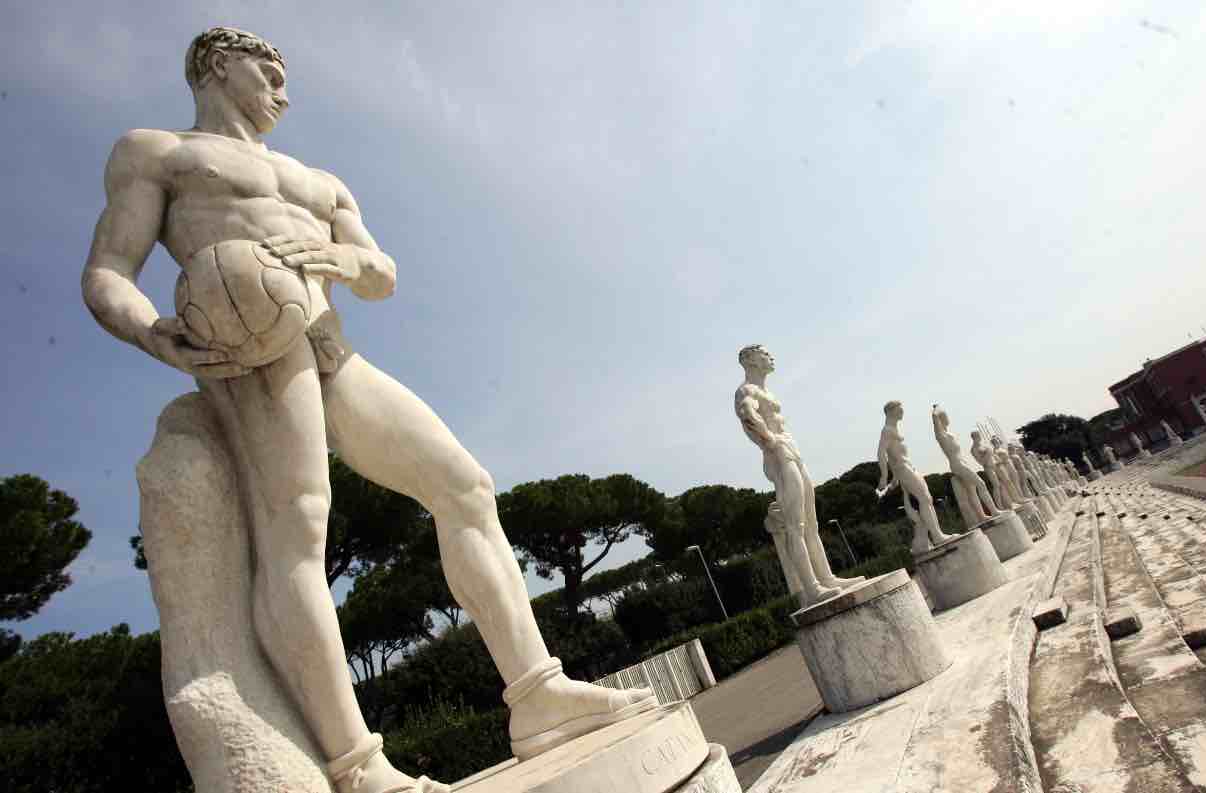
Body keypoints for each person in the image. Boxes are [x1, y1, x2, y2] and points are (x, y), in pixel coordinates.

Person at [81, 27, 654, 793]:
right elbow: (107, 272)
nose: (284, 91)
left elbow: (380, 268)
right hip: (252, 361)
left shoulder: (319, 179)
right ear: (217, 65)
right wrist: (157, 336)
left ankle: (537, 695)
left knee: (465, 486)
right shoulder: (158, 153)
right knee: (298, 542)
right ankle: (360, 769)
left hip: (333, 349)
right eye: (269, 73)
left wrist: (352, 262)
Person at [734, 345, 861, 605]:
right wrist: (770, 442)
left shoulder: (765, 391)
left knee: (811, 523)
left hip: (791, 451)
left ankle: (827, 578)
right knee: (796, 526)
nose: (771, 356)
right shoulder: (746, 390)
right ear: (750, 360)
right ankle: (812, 588)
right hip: (780, 454)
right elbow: (747, 415)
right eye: (764, 353)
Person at [876, 401, 954, 553]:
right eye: (900, 409)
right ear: (891, 411)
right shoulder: (886, 430)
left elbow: (891, 455)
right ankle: (937, 536)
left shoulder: (892, 429)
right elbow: (881, 453)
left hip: (907, 467)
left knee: (927, 499)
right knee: (924, 499)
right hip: (903, 468)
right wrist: (884, 476)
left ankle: (927, 540)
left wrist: (894, 479)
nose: (903, 411)